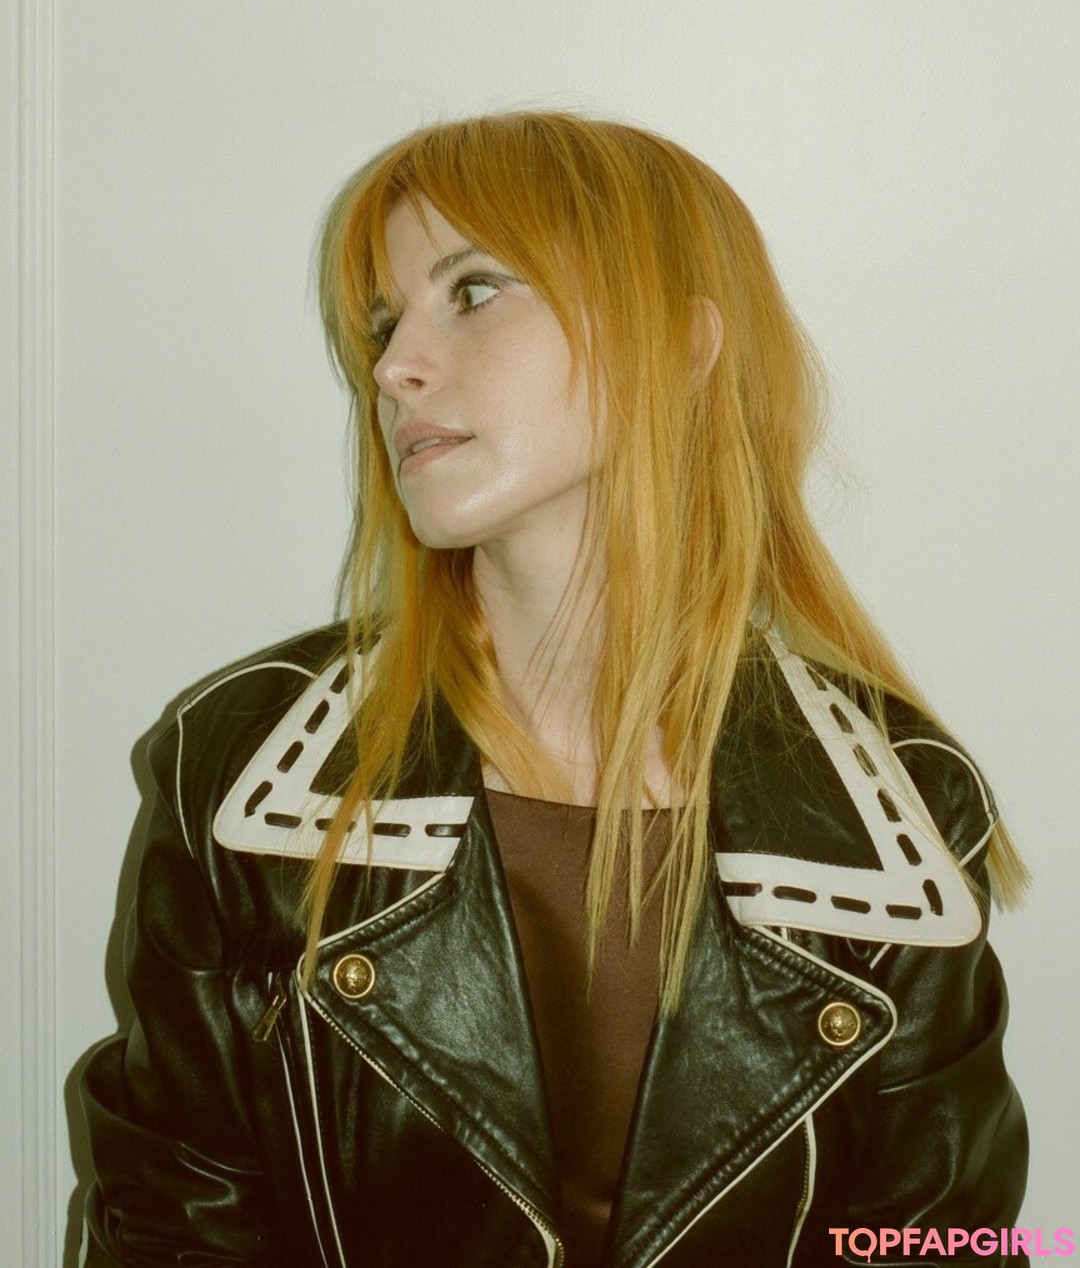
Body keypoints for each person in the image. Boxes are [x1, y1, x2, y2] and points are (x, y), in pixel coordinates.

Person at [80, 111, 1028, 1267]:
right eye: (385, 323)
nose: (391, 368)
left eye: (474, 292)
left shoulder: (895, 806)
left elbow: (947, 1243)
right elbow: (174, 1224)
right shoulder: (242, 772)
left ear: (678, 345)